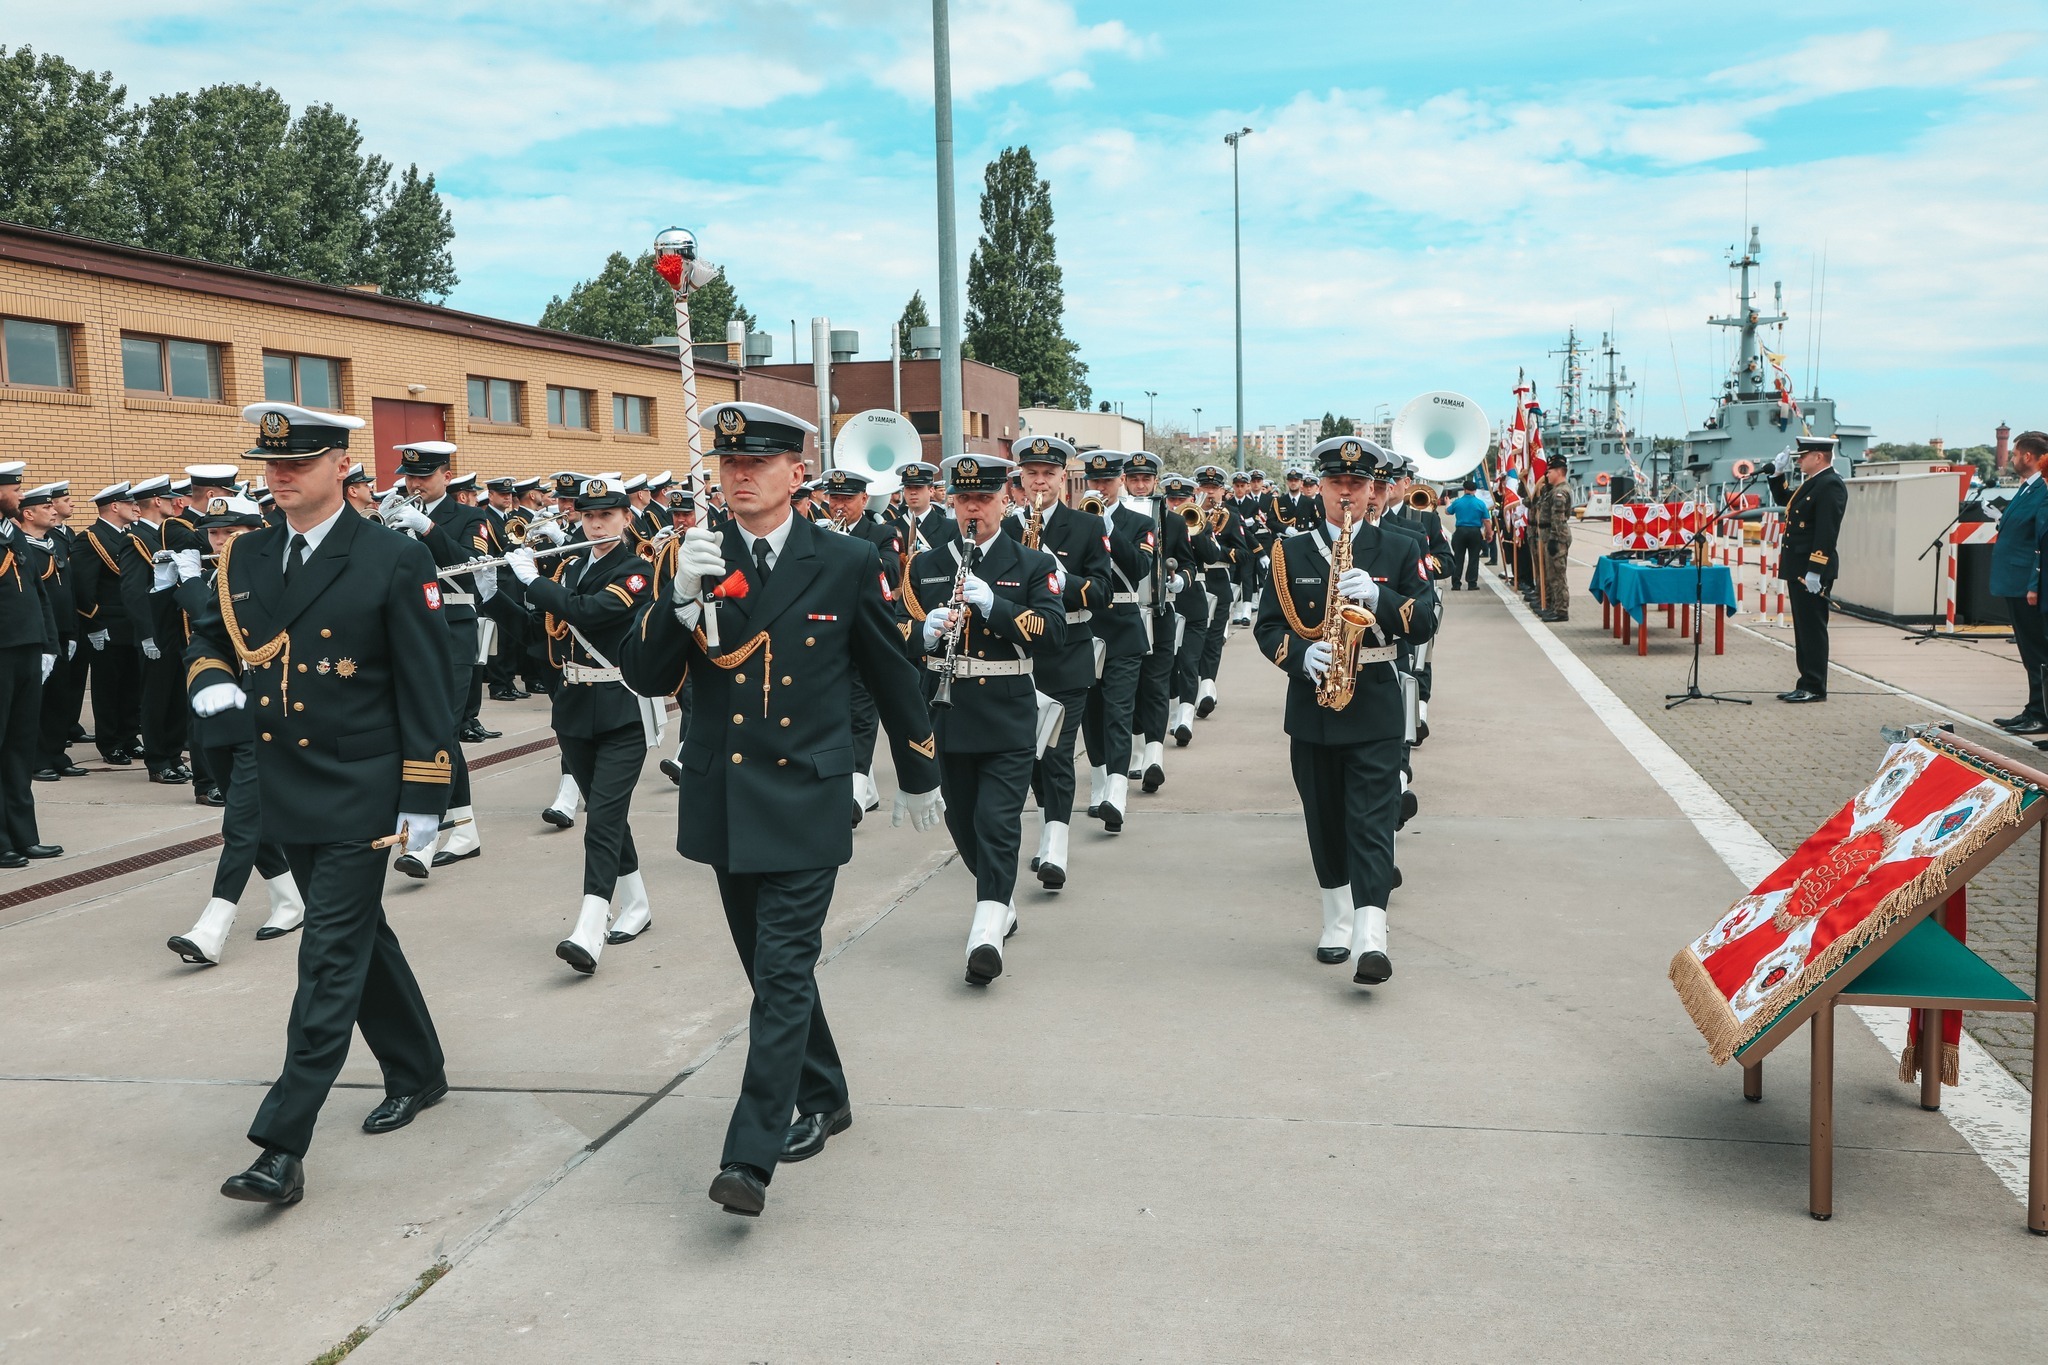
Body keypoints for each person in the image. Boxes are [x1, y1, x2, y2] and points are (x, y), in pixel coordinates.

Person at [618, 401, 944, 1219]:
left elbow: (890, 666)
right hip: (726, 798)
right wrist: (680, 602)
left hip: (805, 793)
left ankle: (750, 1154)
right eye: (729, 464)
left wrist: (918, 768)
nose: (739, 476)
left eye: (757, 463)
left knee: (781, 970)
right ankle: (825, 1091)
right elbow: (647, 676)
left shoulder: (843, 556)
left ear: (798, 474)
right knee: (773, 971)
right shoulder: (691, 555)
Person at [183, 401, 457, 1206]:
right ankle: (420, 1069)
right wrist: (211, 679)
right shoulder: (247, 556)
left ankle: (281, 1142)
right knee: (360, 935)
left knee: (328, 955)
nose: (279, 476)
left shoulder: (390, 558)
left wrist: (425, 800)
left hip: (361, 790)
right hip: (281, 782)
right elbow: (209, 634)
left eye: (297, 462)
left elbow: (425, 684)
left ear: (342, 465)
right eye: (271, 465)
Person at [1254, 436, 1437, 982]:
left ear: (1372, 489)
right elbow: (1267, 627)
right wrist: (1300, 653)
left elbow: (1426, 620)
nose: (1348, 493)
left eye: (1358, 485)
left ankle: (1371, 936)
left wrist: (1383, 601)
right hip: (1314, 704)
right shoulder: (1291, 551)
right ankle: (1335, 919)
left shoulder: (1401, 548)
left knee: (1374, 820)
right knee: (1325, 818)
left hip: (1376, 701)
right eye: (1337, 484)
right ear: (1321, 487)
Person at [903, 453, 1064, 983]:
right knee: (964, 821)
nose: (974, 509)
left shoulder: (1031, 563)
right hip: (947, 712)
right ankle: (1000, 901)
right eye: (964, 499)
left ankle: (986, 929)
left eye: (985, 499)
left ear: (1006, 499)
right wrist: (922, 635)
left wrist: (996, 605)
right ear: (951, 501)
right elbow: (892, 636)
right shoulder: (926, 565)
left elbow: (1053, 633)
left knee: (998, 822)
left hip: (1007, 712)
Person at [506, 477, 659, 973]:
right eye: (589, 515)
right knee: (607, 813)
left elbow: (590, 614)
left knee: (603, 820)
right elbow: (537, 633)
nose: (596, 524)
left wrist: (535, 581)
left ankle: (590, 925)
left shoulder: (637, 569)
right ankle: (636, 905)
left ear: (626, 518)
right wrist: (496, 592)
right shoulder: (571, 565)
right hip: (573, 707)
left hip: (621, 709)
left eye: (607, 515)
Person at [164, 493, 306, 964]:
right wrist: (208, 678)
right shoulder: (221, 577)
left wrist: (187, 587)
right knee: (251, 822)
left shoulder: (282, 573)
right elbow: (208, 635)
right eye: (213, 533)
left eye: (231, 533)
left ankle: (213, 923)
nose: (219, 540)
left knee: (240, 822)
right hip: (218, 717)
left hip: (268, 719)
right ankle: (289, 899)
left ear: (258, 532)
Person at [1004, 435, 1111, 890]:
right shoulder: (1005, 529)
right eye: (1032, 475)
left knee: (1057, 753)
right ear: (1021, 480)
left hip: (1067, 651)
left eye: (1049, 474)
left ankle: (1056, 845)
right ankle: (1049, 825)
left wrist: (1062, 578)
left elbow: (1102, 593)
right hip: (1017, 656)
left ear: (1062, 478)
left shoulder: (1085, 527)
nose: (1040, 482)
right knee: (1030, 757)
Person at [379, 442, 490, 869]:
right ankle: (464, 828)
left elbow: (474, 566)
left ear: (446, 475)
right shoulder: (395, 513)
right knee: (427, 730)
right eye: (409, 476)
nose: (415, 485)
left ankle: (424, 838)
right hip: (406, 633)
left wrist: (427, 529)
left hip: (453, 632)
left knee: (440, 728)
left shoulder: (469, 517)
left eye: (424, 476)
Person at [821, 467, 909, 822]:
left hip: (868, 632)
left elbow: (890, 572)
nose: (839, 505)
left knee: (861, 711)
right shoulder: (818, 533)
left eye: (847, 498)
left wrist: (844, 549)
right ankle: (866, 790)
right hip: (829, 635)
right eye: (834, 498)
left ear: (863, 499)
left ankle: (856, 792)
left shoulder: (883, 533)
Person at [1076, 451, 1154, 831]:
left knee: (1118, 711)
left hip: (1123, 626)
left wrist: (1106, 524)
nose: (1100, 488)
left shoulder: (1140, 523)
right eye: (1095, 482)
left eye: (1107, 481)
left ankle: (1117, 793)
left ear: (1120, 481)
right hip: (1088, 627)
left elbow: (1140, 568)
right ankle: (1098, 783)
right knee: (1091, 713)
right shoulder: (1076, 523)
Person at [0, 465, 61, 869]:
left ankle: (24, 836)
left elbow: (38, 593)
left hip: (25, 650)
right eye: (14, 486)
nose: (20, 494)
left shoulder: (12, 533)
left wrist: (48, 645)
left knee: (20, 746)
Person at [120, 475, 193, 787]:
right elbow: (133, 591)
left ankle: (174, 754)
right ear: (157, 502)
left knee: (177, 695)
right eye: (169, 498)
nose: (175, 503)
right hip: (156, 631)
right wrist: (147, 634)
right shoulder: (134, 539)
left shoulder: (166, 535)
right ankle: (158, 760)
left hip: (176, 626)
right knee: (157, 697)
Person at [1768, 435, 1847, 703]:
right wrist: (1777, 475)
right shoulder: (1813, 483)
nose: (1799, 461)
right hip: (1798, 567)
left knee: (1812, 628)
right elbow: (1786, 501)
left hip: (1810, 570)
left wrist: (1816, 569)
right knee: (1803, 628)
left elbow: (1827, 532)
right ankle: (1806, 682)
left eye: (1803, 456)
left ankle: (1814, 686)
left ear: (1819, 456)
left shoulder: (1831, 485)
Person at [19, 483, 87, 781]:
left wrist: (71, 631)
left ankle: (58, 754)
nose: (52, 510)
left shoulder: (54, 543)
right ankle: (37, 759)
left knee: (61, 697)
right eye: (45, 507)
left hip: (62, 632)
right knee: (38, 701)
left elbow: (67, 590)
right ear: (28, 513)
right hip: (38, 636)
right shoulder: (20, 547)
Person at [74, 482, 143, 766]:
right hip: (107, 625)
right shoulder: (90, 538)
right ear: (114, 507)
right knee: (107, 688)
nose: (136, 508)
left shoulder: (129, 535)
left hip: (131, 624)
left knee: (131, 686)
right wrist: (94, 624)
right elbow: (82, 586)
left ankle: (129, 737)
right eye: (130, 504)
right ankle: (110, 742)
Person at [1993, 432, 2048, 733]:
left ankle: (2041, 713)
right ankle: (2033, 708)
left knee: (2037, 651)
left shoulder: (2043, 488)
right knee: (2030, 652)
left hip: (2028, 584)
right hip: (2014, 581)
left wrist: (2034, 584)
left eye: (2014, 454)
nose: (2012, 459)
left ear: (2028, 456)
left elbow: (2040, 541)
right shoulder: (2029, 489)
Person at [1529, 461, 1574, 622]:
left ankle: (1561, 611)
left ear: (1559, 472)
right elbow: (1537, 505)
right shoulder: (1553, 491)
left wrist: (1555, 539)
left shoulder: (1561, 492)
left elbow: (1558, 519)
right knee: (1550, 574)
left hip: (1557, 537)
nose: (1546, 475)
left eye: (1549, 472)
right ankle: (1553, 605)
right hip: (1549, 535)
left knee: (1557, 575)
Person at [1447, 478, 1491, 591]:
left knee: (1458, 558)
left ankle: (1456, 584)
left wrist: (1447, 503)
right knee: (1474, 558)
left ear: (1464, 489)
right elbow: (1486, 520)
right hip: (1475, 532)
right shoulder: (1480, 503)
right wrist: (1489, 534)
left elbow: (1447, 512)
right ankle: (1472, 583)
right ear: (1475, 490)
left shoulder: (1457, 502)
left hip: (1460, 531)